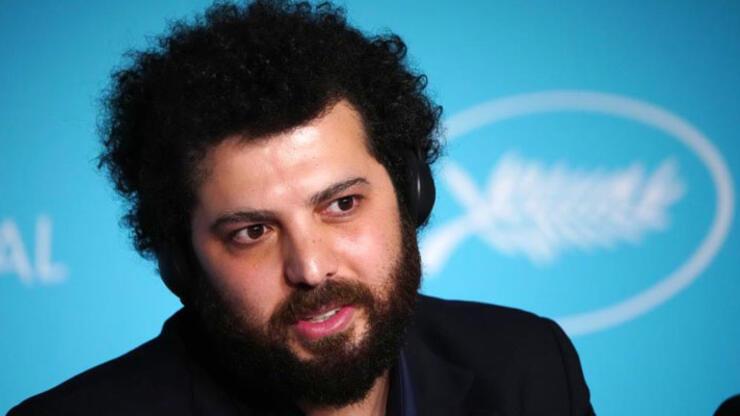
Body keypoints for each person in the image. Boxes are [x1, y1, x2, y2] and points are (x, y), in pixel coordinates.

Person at [9, 1, 594, 415]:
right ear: (181, 262)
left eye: (342, 204)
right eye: (252, 232)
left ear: (412, 193)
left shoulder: (529, 367)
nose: (310, 269)